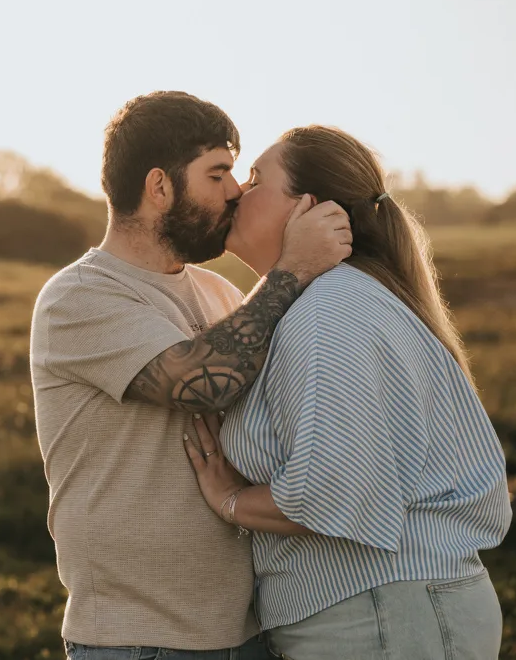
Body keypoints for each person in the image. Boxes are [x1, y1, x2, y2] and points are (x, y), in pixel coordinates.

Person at [29, 92, 352, 660]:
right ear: (160, 187)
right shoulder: (79, 297)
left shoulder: (221, 293)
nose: (235, 191)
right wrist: (291, 268)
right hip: (136, 640)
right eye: (218, 173)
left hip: (246, 633)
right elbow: (207, 379)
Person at [183, 126, 513, 660]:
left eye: (257, 179)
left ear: (307, 209)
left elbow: (333, 486)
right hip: (379, 614)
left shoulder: (330, 308)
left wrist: (230, 501)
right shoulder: (328, 302)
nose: (238, 193)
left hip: (382, 616)